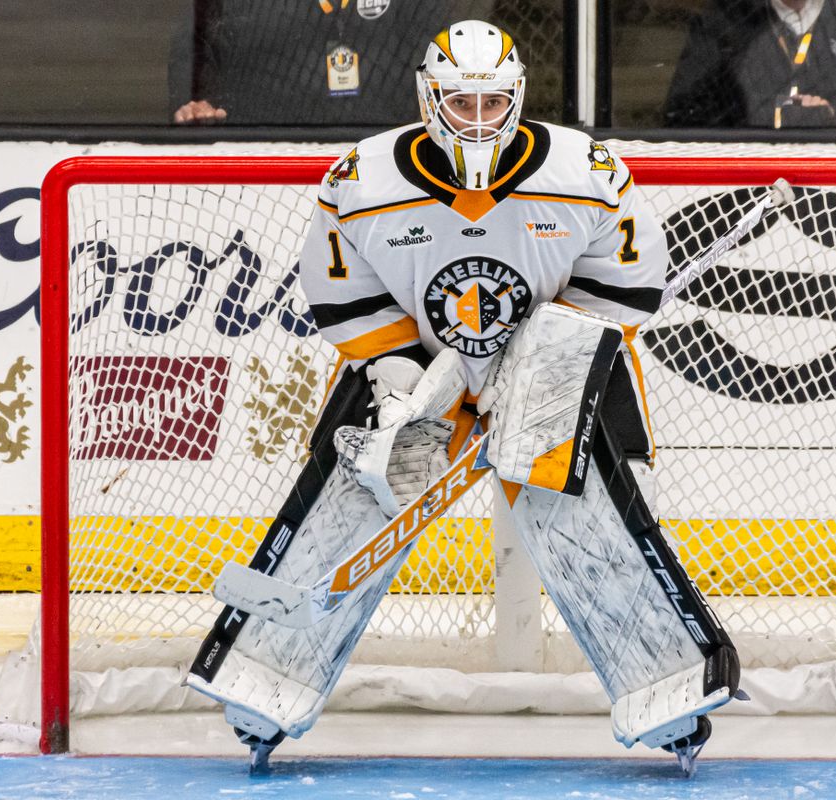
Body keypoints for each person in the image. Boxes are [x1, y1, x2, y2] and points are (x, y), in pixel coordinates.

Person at [185, 20, 741, 776]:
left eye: (491, 103)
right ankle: (264, 680)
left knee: (587, 522)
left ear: (516, 97)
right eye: (459, 103)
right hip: (415, 373)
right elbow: (341, 293)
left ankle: (673, 688)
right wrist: (399, 379)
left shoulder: (587, 171)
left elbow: (626, 284)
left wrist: (541, 365)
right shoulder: (361, 179)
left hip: (548, 378)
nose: (477, 119)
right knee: (353, 501)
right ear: (427, 97)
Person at [169, 0, 486, 125]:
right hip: (273, 158)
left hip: (387, 152)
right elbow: (199, 53)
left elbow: (444, 60)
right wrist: (200, 107)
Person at [662, 0, 836, 128]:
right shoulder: (724, 19)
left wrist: (833, 111)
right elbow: (684, 109)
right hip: (754, 179)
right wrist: (775, 114)